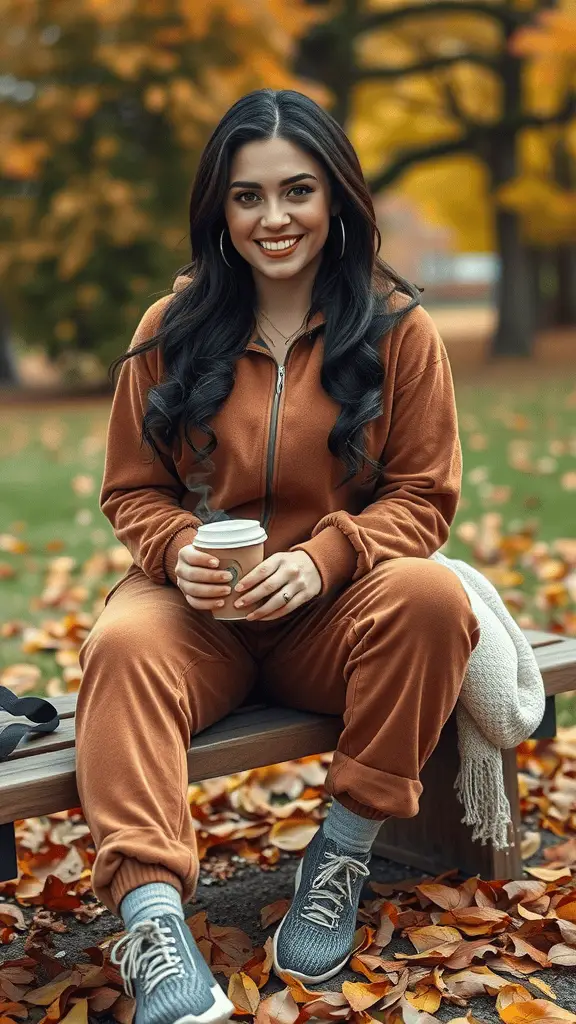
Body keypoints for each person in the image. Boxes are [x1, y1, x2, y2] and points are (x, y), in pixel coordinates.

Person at [76, 88, 480, 1024]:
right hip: (196, 618)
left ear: (336, 197)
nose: (274, 218)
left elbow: (424, 498)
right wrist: (178, 552)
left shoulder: (397, 330)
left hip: (331, 622)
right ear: (219, 206)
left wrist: (327, 557)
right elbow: (129, 490)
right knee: (121, 647)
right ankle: (153, 926)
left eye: (296, 191)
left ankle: (338, 855)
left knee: (430, 596)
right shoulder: (167, 328)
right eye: (247, 196)